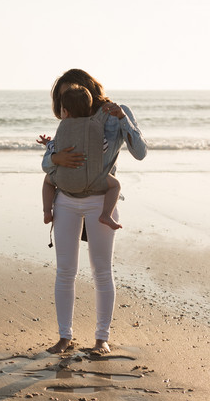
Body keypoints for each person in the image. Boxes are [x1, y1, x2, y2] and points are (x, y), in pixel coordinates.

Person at [41, 69, 147, 355]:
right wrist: (54, 157)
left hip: (100, 199)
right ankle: (64, 337)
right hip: (66, 200)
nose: (66, 103)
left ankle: (102, 339)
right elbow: (49, 162)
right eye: (62, 99)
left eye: (70, 94)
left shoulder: (115, 114)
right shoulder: (70, 120)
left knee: (101, 271)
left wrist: (123, 120)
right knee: (65, 271)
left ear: (88, 90)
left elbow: (140, 152)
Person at [37, 84, 122, 230]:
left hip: (64, 181)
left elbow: (55, 148)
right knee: (115, 185)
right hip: (92, 180)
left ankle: (46, 211)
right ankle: (106, 214)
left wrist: (48, 143)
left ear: (65, 111)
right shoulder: (94, 127)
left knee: (47, 182)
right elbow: (104, 148)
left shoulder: (63, 128)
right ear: (89, 109)